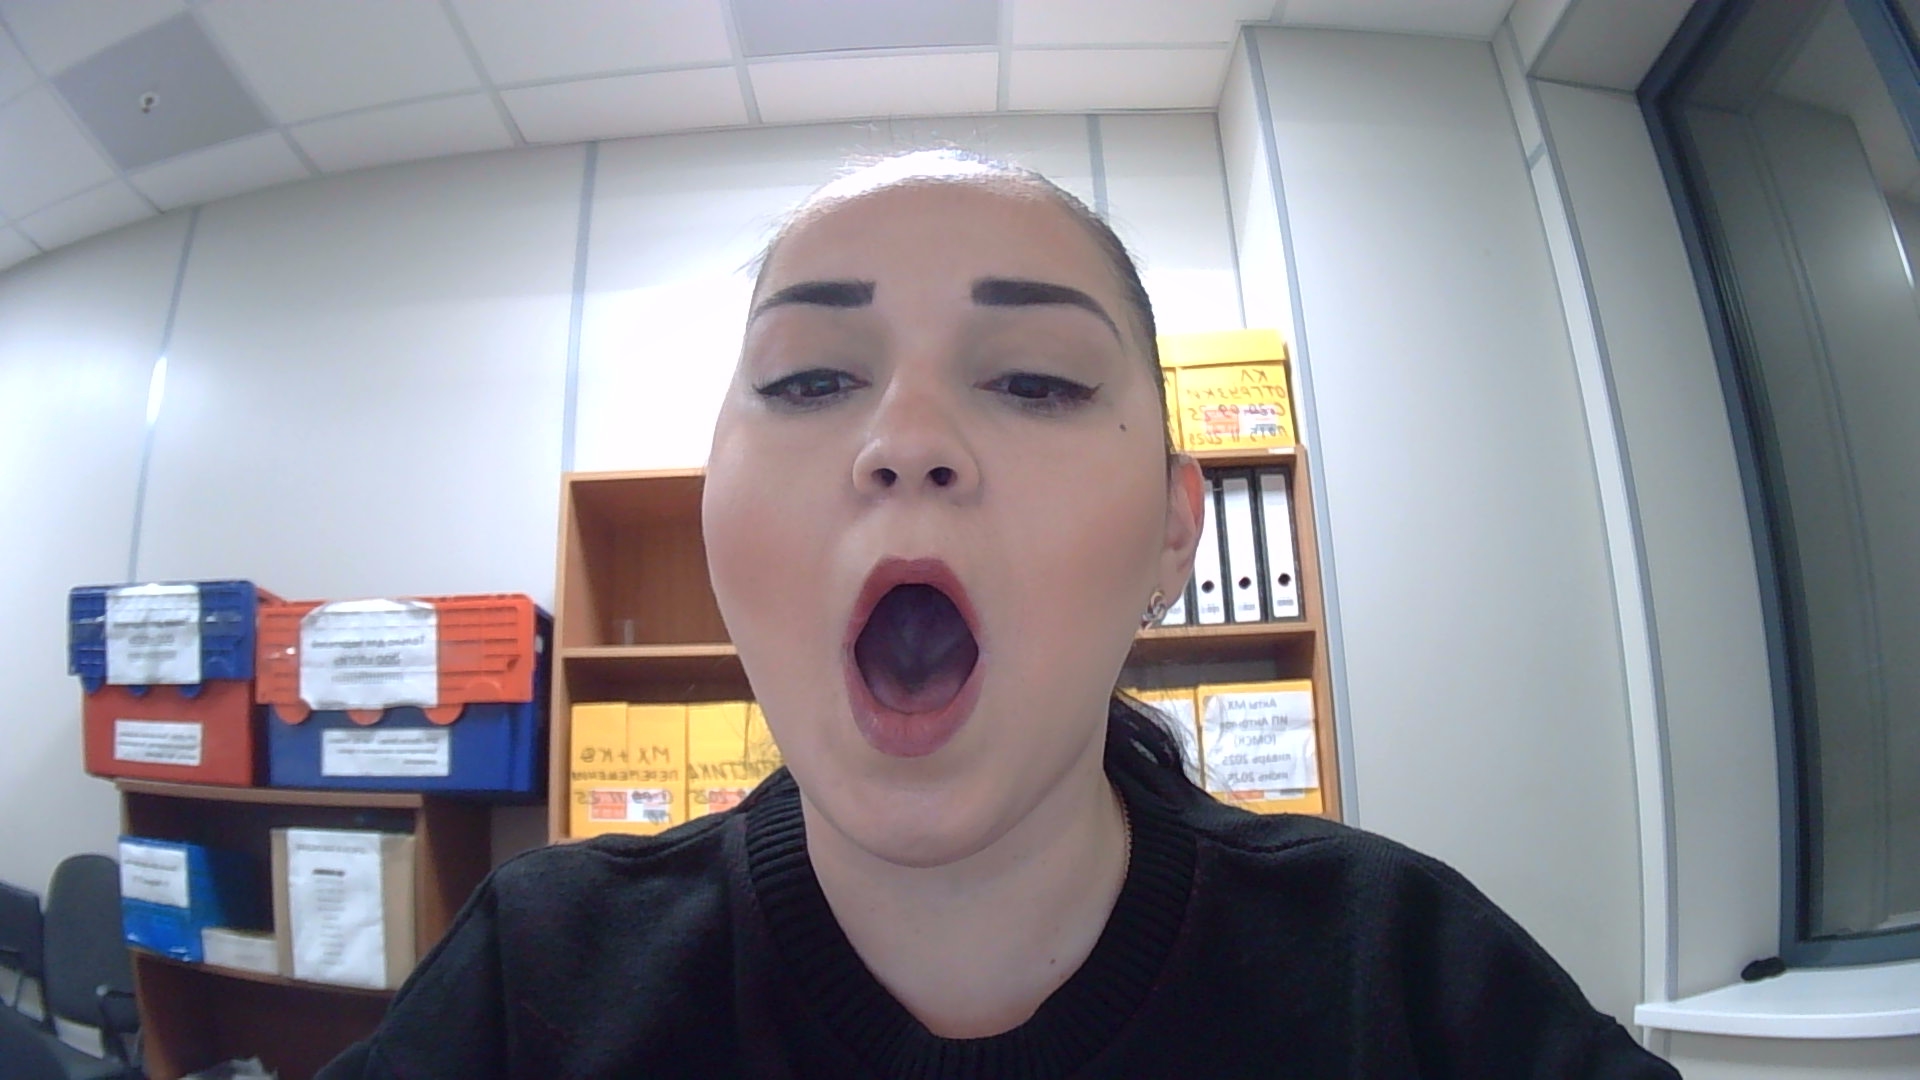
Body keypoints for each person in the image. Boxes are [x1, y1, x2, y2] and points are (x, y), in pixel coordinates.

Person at [317, 150, 1681, 1079]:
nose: (907, 443)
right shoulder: (533, 979)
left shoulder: (1401, 973)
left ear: (1175, 529)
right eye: (808, 381)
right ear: (714, 513)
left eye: (1035, 380)